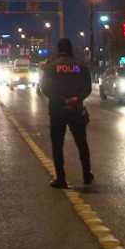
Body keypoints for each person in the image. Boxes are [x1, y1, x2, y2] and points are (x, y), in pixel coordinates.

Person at [40, 38, 93, 189]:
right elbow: (87, 88)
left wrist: (61, 99)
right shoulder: (81, 66)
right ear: (71, 49)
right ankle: (86, 175)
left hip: (57, 110)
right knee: (82, 143)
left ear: (59, 49)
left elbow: (45, 88)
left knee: (57, 145)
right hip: (76, 109)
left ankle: (61, 179)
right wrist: (77, 98)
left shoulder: (51, 67)